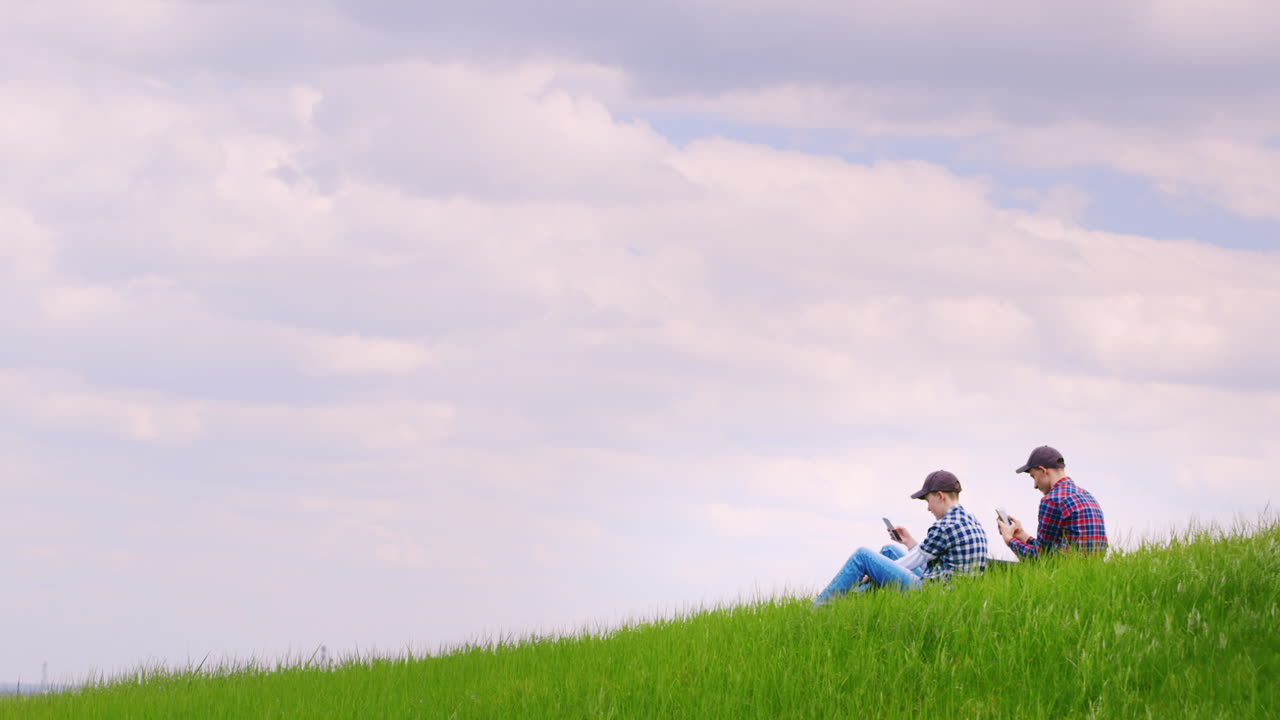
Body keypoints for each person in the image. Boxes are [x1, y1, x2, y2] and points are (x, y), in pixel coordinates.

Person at [814, 470, 989, 606]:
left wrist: (871, 573)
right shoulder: (970, 519)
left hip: (933, 596)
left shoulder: (945, 526)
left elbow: (913, 561)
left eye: (928, 501)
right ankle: (851, 602)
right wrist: (909, 542)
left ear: (940, 496)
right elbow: (927, 558)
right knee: (889, 551)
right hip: (950, 592)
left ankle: (820, 609)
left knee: (863, 556)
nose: (928, 508)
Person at [997, 445, 1107, 558]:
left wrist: (1009, 539)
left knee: (990, 565)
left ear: (1043, 471)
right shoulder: (1087, 496)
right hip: (1088, 570)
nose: (1035, 485)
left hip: (1065, 573)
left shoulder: (1052, 500)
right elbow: (1048, 551)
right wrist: (1022, 535)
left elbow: (1040, 558)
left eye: (1033, 477)